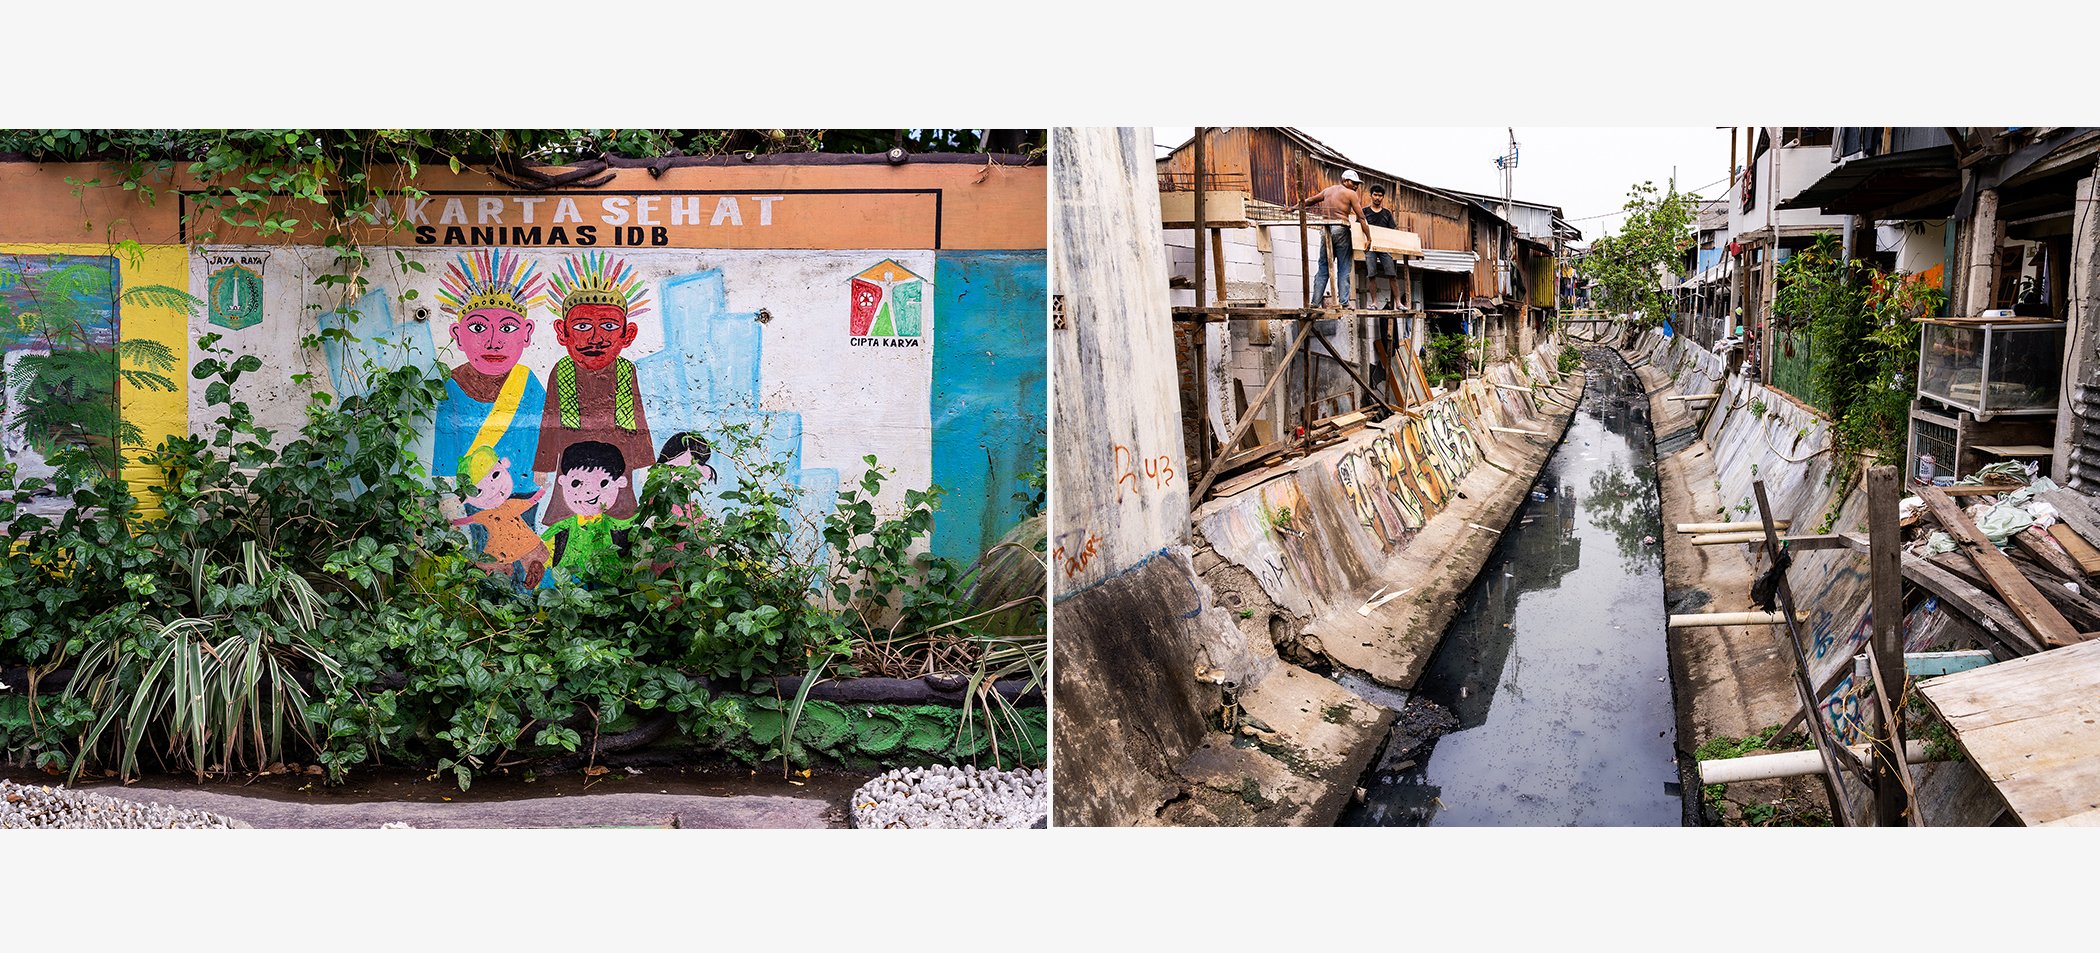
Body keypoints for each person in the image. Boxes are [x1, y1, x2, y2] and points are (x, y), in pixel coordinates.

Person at [535, 251, 655, 525]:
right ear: (563, 332)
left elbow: (638, 418)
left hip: (619, 451)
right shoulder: (561, 370)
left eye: (609, 326)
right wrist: (542, 465)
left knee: (620, 513)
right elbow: (549, 420)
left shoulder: (627, 370)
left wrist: (646, 462)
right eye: (582, 325)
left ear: (628, 334)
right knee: (568, 512)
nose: (596, 338)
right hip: (570, 450)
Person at [433, 249, 547, 500]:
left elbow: (544, 432)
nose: (493, 342)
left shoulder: (527, 382)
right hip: (473, 493)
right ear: (457, 334)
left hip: (523, 490)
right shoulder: (451, 385)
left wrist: (541, 469)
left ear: (526, 333)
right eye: (477, 327)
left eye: (507, 328)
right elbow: (444, 450)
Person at [450, 447, 549, 587]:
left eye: (495, 475)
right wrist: (453, 521)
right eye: (478, 491)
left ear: (504, 465)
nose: (492, 489)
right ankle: (505, 570)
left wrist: (453, 522)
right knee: (524, 554)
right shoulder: (502, 508)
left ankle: (504, 570)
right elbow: (531, 501)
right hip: (520, 541)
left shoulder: (506, 507)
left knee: (494, 559)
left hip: (502, 546)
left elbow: (529, 502)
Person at [541, 440, 636, 584]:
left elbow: (628, 525)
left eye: (603, 483)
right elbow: (546, 547)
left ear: (620, 483)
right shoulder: (564, 526)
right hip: (568, 584)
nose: (589, 491)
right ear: (562, 481)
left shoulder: (615, 525)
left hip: (607, 583)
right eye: (576, 483)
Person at [1297, 169, 1370, 309]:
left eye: (1357, 184)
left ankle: (1315, 302)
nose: (1356, 186)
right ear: (1345, 181)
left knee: (1323, 267)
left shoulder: (1328, 191)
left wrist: (1294, 207)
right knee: (1343, 267)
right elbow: (1361, 217)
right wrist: (1369, 237)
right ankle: (1343, 302)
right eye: (1354, 183)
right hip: (1340, 228)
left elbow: (1310, 200)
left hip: (1325, 230)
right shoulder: (1350, 193)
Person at [1362, 184, 1402, 309]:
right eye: (1375, 195)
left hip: (1384, 247)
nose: (1377, 198)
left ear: (1383, 197)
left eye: (1380, 195)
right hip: (1370, 247)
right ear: (1371, 195)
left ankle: (1398, 303)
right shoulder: (1365, 212)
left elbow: (1392, 231)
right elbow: (1359, 227)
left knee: (1392, 274)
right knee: (1371, 274)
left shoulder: (1387, 214)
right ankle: (1374, 302)